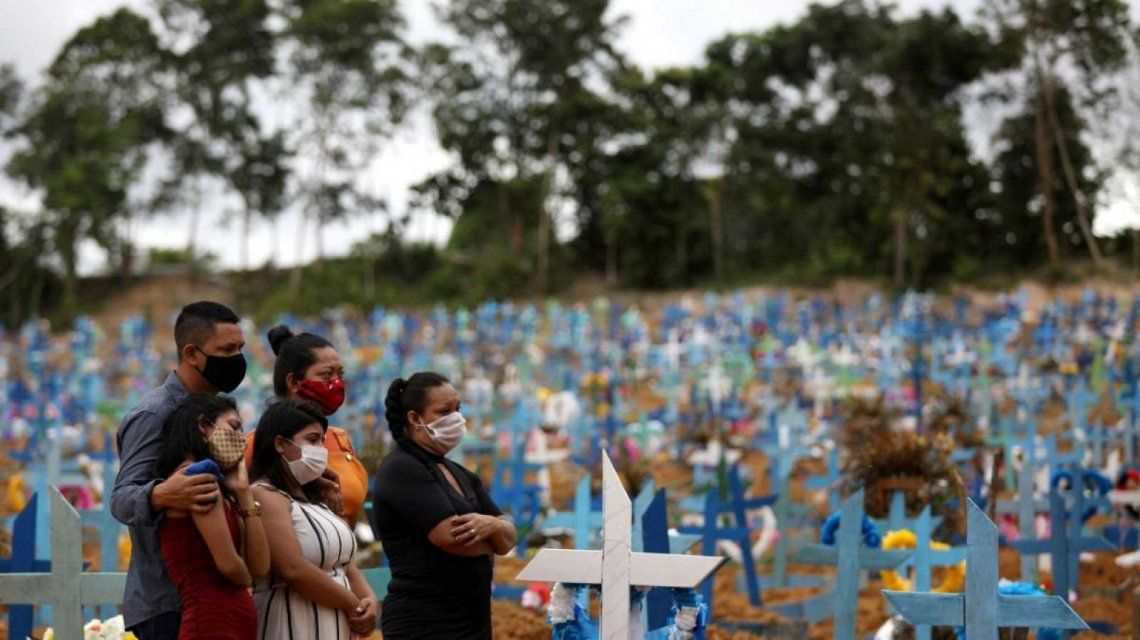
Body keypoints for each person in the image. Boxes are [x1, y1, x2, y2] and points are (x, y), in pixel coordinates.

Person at [112, 301, 247, 639]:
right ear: (192, 353)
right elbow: (122, 499)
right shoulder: (154, 415)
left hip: (218, 595)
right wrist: (161, 493)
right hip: (169, 602)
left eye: (240, 349)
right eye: (227, 350)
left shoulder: (218, 414)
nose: (237, 360)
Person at [373, 372, 518, 639]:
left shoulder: (460, 473)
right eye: (444, 411)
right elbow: (451, 537)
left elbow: (509, 538)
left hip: (471, 620)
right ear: (415, 418)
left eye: (457, 409)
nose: (456, 418)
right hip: (425, 622)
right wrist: (495, 535)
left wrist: (494, 525)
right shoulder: (402, 467)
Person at [249, 400, 379, 638]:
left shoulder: (317, 500)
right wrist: (352, 603)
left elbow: (344, 563)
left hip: (336, 627)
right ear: (280, 443)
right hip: (292, 623)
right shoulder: (264, 495)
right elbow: (292, 568)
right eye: (312, 439)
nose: (321, 448)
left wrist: (369, 600)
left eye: (322, 440)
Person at [153, 394, 269, 640]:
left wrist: (243, 492)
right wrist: (245, 578)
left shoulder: (220, 485)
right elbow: (230, 565)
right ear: (204, 426)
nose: (241, 439)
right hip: (211, 621)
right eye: (233, 427)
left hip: (230, 620)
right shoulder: (195, 478)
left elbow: (259, 566)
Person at [243, 325, 368, 527]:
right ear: (293, 382)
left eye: (340, 375)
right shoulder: (255, 445)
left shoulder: (340, 440)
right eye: (327, 375)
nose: (336, 383)